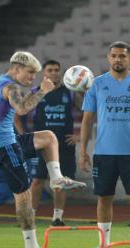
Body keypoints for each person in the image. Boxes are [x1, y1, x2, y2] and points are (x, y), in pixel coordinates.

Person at [0, 51, 86, 248]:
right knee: (24, 195)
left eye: (35, 75)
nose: (32, 78)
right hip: (4, 145)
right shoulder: (9, 86)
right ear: (16, 68)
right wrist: (43, 91)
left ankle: (56, 178)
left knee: (48, 137)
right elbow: (21, 109)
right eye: (29, 73)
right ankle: (31, 247)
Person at [79, 41, 130, 248]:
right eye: (114, 56)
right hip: (104, 152)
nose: (118, 59)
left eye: (122, 56)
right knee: (104, 198)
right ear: (108, 58)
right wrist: (83, 150)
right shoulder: (96, 84)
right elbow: (87, 120)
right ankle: (104, 244)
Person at [21, 60, 84, 227]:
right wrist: (23, 135)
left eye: (57, 70)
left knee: (60, 182)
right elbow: (18, 113)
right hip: (38, 145)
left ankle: (57, 218)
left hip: (64, 145)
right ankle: (31, 217)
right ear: (44, 74)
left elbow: (89, 113)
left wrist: (79, 135)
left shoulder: (70, 93)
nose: (54, 73)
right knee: (36, 182)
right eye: (50, 70)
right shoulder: (35, 92)